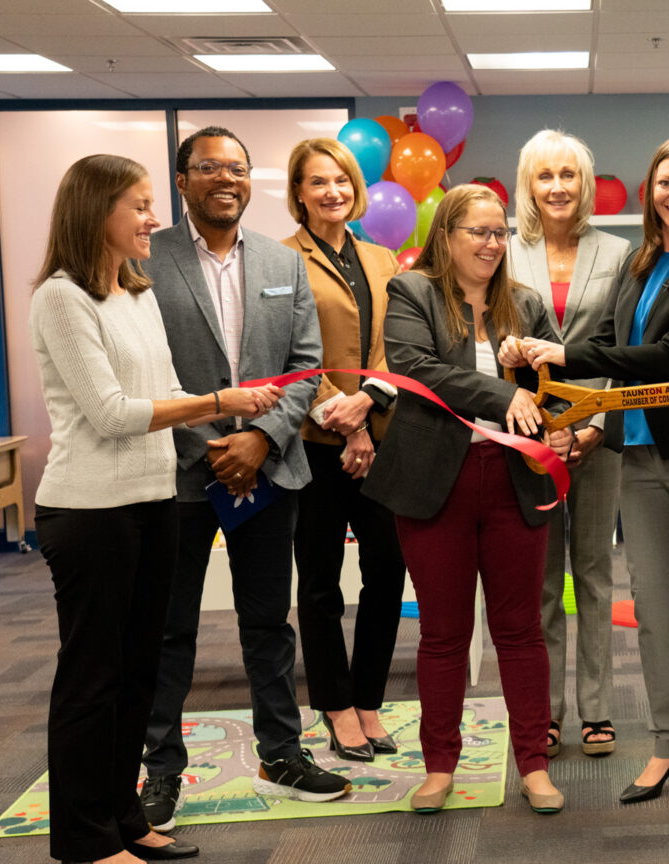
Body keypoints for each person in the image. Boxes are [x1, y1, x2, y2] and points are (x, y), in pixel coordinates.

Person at [31, 153, 282, 863]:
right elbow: (112, 414)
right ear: (96, 213)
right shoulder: (60, 298)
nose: (152, 219)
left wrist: (229, 428)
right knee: (93, 679)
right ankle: (83, 841)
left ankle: (124, 821)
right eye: (138, 206)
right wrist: (219, 403)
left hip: (153, 503)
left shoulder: (135, 293)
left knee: (139, 674)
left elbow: (165, 392)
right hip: (89, 513)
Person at [503, 133, 669, 814]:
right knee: (650, 612)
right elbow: (617, 346)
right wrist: (536, 362)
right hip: (636, 453)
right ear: (650, 192)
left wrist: (562, 350)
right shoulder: (641, 263)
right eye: (666, 184)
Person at [140, 126, 349, 829]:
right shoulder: (147, 257)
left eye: (236, 167)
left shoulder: (280, 262)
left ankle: (282, 753)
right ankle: (161, 770)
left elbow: (305, 364)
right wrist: (210, 444)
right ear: (182, 181)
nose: (224, 178)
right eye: (208, 167)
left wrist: (261, 437)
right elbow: (141, 368)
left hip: (268, 470)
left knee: (269, 621)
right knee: (169, 628)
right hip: (178, 474)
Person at [362, 183, 571, 815]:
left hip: (516, 483)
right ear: (446, 236)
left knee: (521, 630)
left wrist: (562, 421)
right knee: (445, 635)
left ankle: (533, 764)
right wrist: (501, 394)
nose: (491, 243)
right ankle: (439, 766)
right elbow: (417, 369)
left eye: (500, 232)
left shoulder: (527, 304)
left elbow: (556, 383)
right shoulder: (411, 292)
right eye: (477, 231)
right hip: (434, 484)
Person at [281, 138, 407, 763]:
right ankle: (334, 705)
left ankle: (369, 701)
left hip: (381, 437)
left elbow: (398, 346)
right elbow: (289, 356)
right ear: (298, 193)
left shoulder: (384, 259)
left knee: (387, 571)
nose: (332, 191)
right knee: (323, 578)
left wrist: (369, 407)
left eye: (341, 180)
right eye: (317, 182)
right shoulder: (279, 262)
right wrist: (344, 418)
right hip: (315, 442)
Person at [506, 129, 631, 760]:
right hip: (529, 437)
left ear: (586, 183)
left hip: (597, 434)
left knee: (596, 576)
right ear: (529, 184)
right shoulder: (502, 252)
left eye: (569, 175)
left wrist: (592, 423)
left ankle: (599, 711)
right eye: (545, 175)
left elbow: (620, 344)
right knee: (542, 584)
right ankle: (545, 713)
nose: (558, 186)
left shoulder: (618, 252)